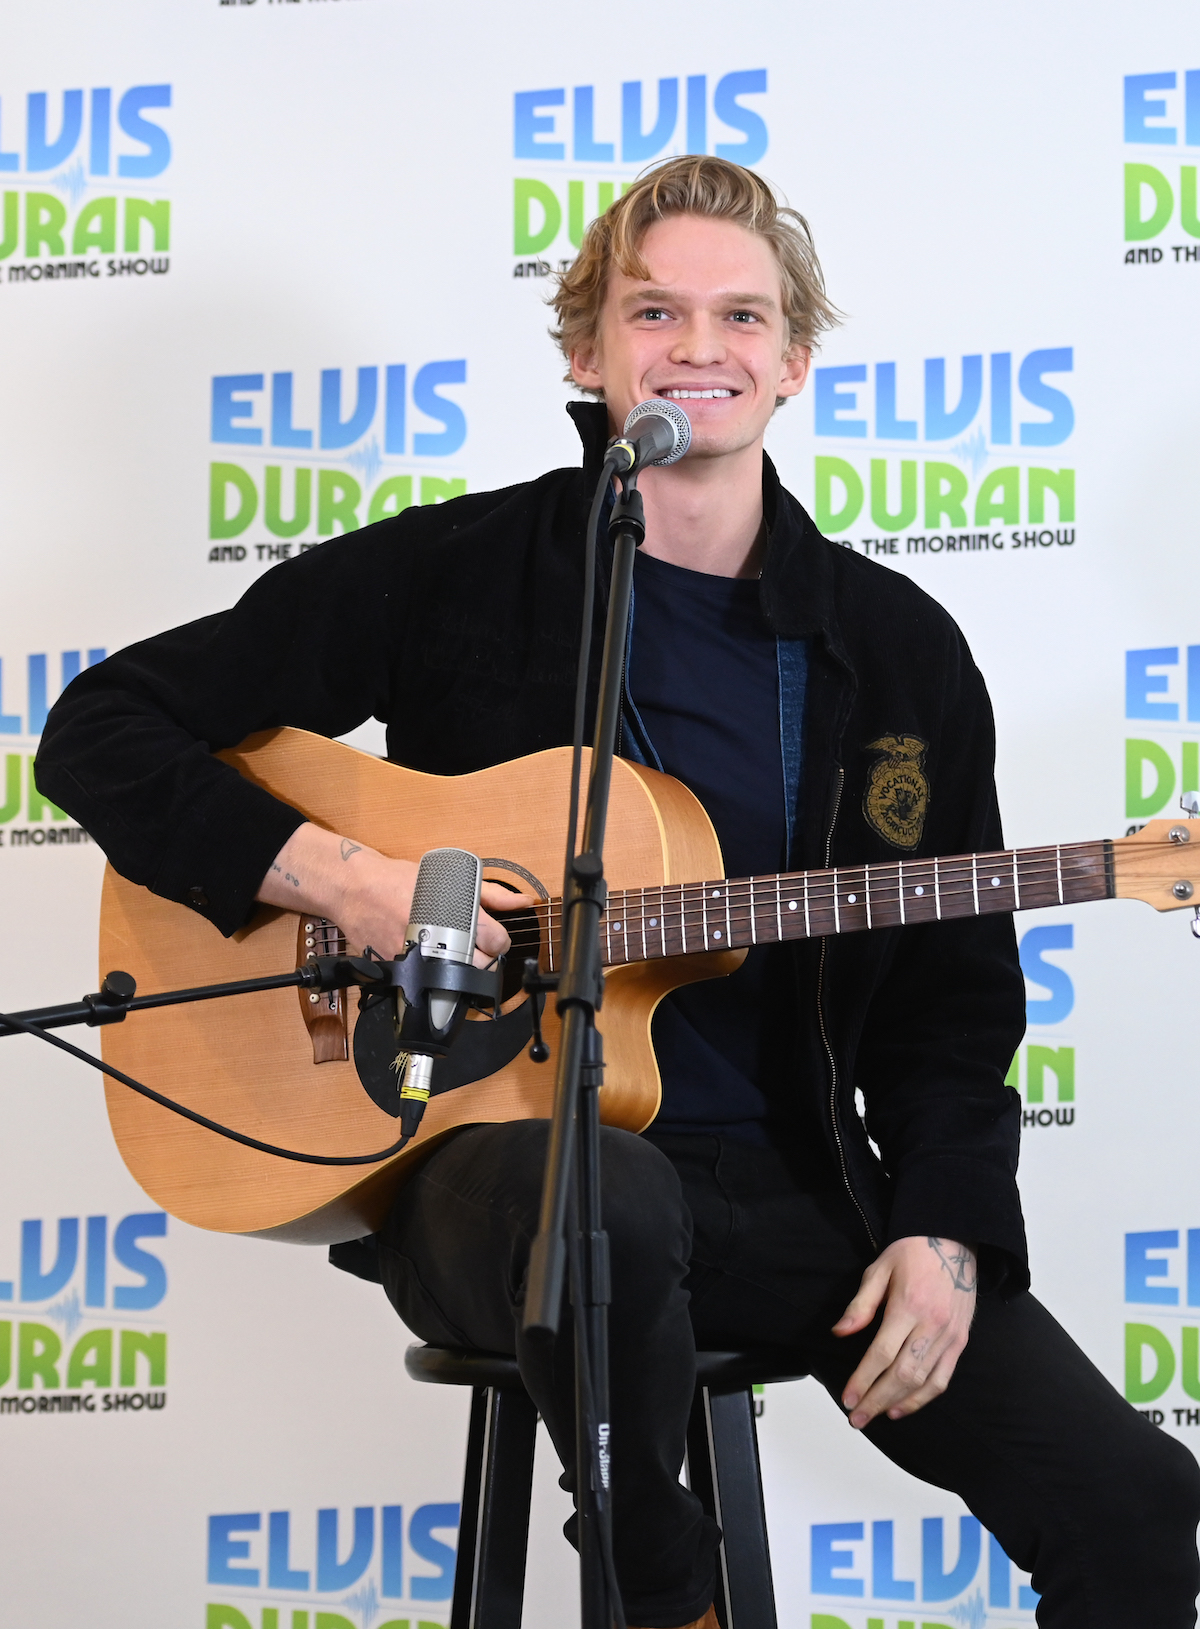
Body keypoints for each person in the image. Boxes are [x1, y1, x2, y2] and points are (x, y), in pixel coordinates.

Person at [36, 156, 1200, 1627]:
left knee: (1140, 1511)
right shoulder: (461, 571)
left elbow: (954, 1011)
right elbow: (102, 730)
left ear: (791, 362)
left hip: (793, 1193)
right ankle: (672, 1596)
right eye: (655, 311)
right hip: (487, 1173)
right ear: (590, 354)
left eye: (739, 316)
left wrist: (948, 1227)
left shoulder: (895, 651)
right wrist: (353, 879)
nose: (698, 348)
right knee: (607, 1208)